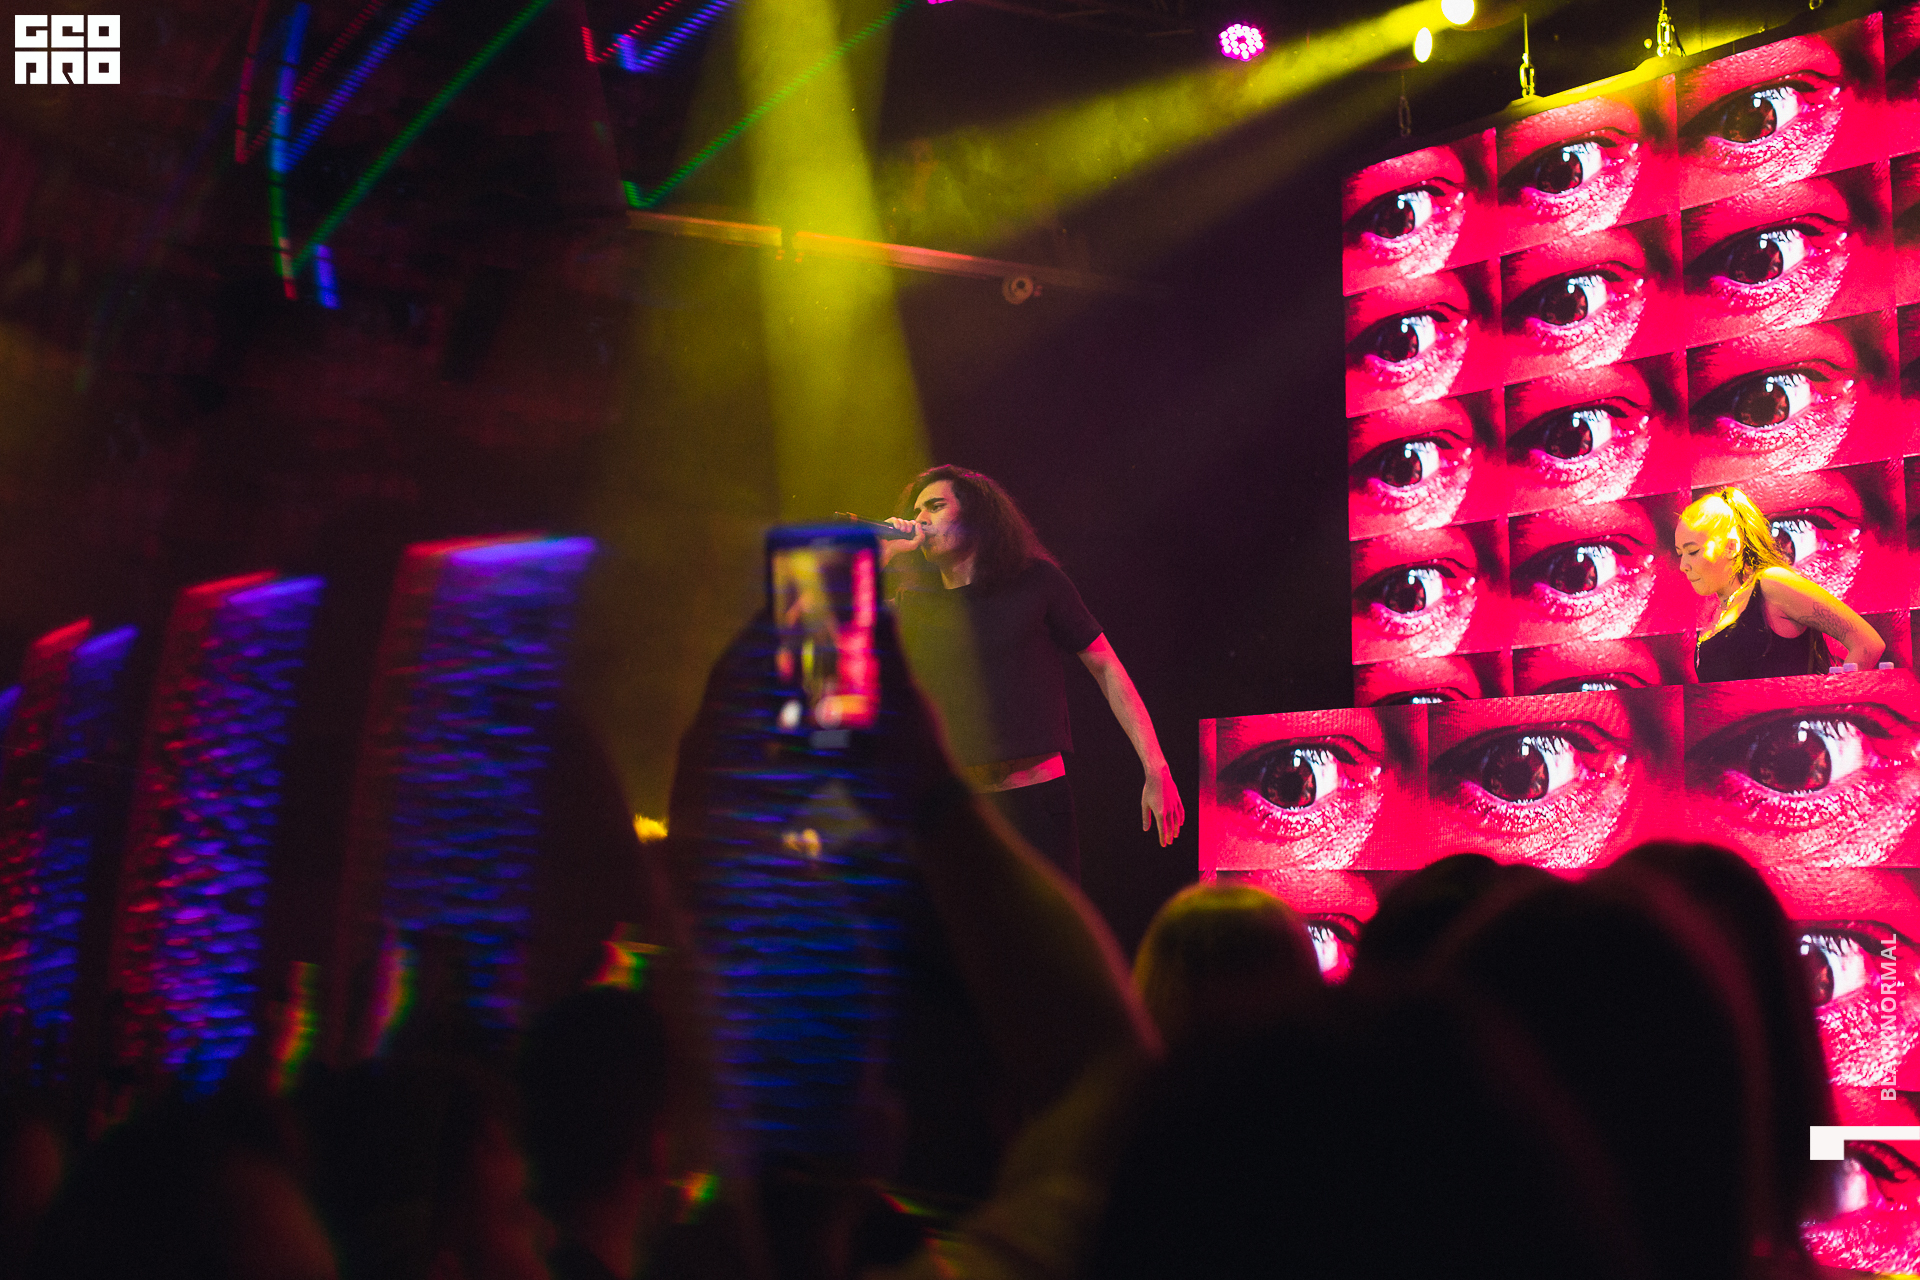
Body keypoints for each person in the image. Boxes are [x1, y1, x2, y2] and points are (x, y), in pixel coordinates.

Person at [880, 466, 1182, 876]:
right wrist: (882, 558)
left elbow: (1106, 667)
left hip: (1037, 802)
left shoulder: (1036, 582)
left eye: (935, 506)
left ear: (975, 515)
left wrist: (1155, 766)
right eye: (916, 511)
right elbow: (840, 643)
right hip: (963, 810)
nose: (920, 521)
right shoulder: (914, 605)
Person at [1675, 487, 1884, 682]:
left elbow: (1867, 643)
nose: (1683, 565)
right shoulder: (1717, 615)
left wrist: (1832, 699)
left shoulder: (1770, 584)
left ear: (1731, 546)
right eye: (1680, 554)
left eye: (1693, 551)